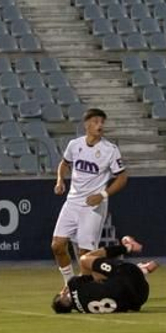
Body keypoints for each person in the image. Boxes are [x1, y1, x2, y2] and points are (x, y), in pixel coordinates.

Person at [51, 108, 127, 290]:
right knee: (57, 245)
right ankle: (70, 284)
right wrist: (60, 180)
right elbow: (65, 163)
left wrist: (102, 195)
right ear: (86, 125)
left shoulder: (110, 150)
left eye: (102, 122)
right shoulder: (75, 144)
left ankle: (82, 289)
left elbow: (122, 177)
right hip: (72, 202)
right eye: (96, 121)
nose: (100, 125)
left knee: (85, 254)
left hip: (93, 206)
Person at [51, 235, 156, 314]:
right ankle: (126, 248)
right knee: (85, 260)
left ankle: (143, 270)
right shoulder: (73, 285)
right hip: (129, 274)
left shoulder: (83, 310)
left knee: (97, 282)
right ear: (63, 294)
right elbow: (89, 270)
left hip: (140, 298)